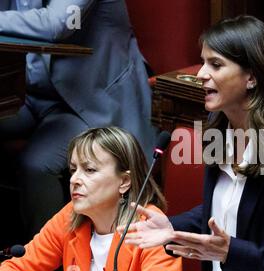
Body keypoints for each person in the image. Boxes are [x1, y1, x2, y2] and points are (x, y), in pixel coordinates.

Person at [119, 15, 264, 271]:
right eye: (203, 62)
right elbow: (224, 210)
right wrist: (173, 227)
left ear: (252, 76)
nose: (201, 74)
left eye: (216, 64)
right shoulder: (218, 132)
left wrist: (233, 252)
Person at [0, 0, 154, 238]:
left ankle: (49, 264)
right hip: (30, 96)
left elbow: (56, 24)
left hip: (91, 102)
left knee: (37, 164)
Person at [0, 127, 183, 271]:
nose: (74, 180)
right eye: (73, 170)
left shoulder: (152, 229)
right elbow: (15, 268)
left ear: (124, 182)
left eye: (89, 170)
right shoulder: (71, 216)